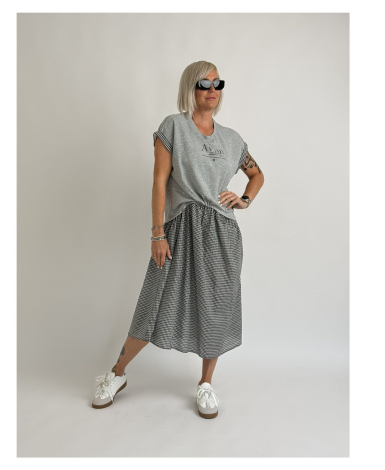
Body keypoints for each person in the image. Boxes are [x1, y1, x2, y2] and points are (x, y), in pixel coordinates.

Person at [91, 60, 265, 418]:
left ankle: (206, 384)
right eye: (204, 84)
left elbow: (257, 174)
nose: (213, 91)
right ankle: (117, 373)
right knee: (154, 302)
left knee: (216, 308)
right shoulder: (173, 127)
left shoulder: (232, 139)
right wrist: (157, 232)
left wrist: (245, 199)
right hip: (180, 229)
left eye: (218, 84)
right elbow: (159, 181)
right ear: (190, 87)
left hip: (222, 234)